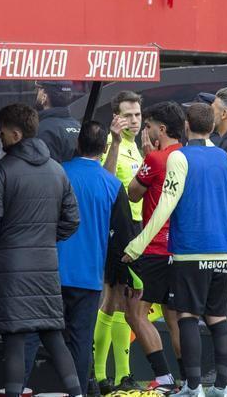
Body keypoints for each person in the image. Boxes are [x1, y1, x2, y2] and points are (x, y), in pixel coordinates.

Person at [123, 102, 227, 397]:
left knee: (188, 317)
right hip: (222, 251)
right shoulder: (226, 159)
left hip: (189, 251)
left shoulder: (179, 157)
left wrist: (137, 244)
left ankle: (193, 387)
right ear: (211, 127)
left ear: (186, 126)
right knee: (218, 319)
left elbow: (166, 205)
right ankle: (222, 387)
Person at [0, 103, 85, 397]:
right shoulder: (57, 171)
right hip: (45, 266)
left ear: (16, 134)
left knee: (14, 339)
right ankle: (77, 394)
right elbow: (72, 220)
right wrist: (46, 238)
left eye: (2, 132)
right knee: (54, 336)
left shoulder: (1, 171)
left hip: (10, 270)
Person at [56, 121, 136, 395]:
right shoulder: (112, 185)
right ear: (103, 149)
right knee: (81, 340)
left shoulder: (58, 173)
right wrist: (123, 277)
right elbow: (122, 237)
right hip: (89, 276)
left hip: (52, 272)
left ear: (77, 144)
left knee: (49, 338)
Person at [127, 101, 187, 392]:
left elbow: (133, 193)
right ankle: (189, 381)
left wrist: (146, 157)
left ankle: (163, 378)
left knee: (135, 313)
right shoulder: (186, 156)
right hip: (181, 248)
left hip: (154, 249)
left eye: (148, 125)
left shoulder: (157, 158)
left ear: (161, 129)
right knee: (175, 318)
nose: (145, 129)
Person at [94, 91, 146, 393]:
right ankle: (107, 375)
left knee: (121, 300)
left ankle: (113, 376)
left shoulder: (136, 147)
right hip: (117, 229)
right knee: (118, 299)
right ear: (116, 117)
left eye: (137, 114)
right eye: (128, 115)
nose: (134, 120)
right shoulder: (111, 143)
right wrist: (113, 143)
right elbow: (105, 179)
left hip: (136, 228)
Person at [36, 82, 81, 163]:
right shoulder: (78, 125)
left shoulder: (42, 129)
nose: (37, 92)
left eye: (39, 89)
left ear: (44, 97)